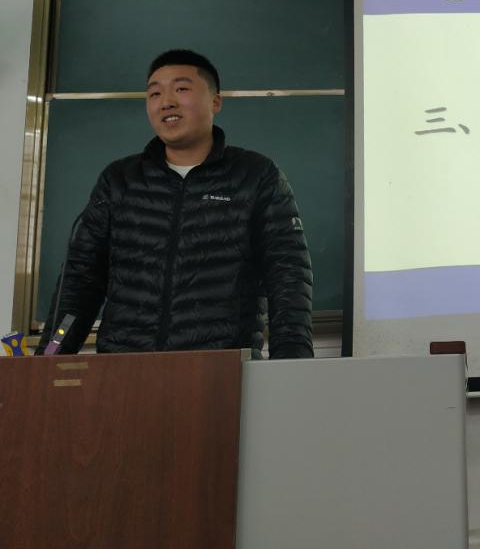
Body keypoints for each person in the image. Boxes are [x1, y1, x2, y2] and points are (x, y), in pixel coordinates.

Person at [36, 49, 313, 359]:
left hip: (222, 370)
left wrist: (292, 364)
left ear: (215, 102)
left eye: (181, 89)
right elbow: (80, 282)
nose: (166, 101)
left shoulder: (256, 175)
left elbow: (288, 276)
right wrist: (50, 354)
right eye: (154, 93)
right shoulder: (120, 180)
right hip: (125, 370)